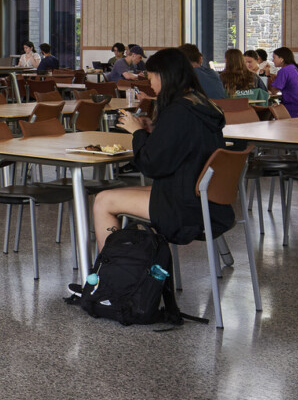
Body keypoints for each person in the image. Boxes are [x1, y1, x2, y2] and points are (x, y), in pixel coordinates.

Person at [90, 46, 232, 252]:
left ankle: (108, 275)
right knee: (115, 192)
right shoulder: (202, 105)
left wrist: (137, 132)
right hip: (207, 199)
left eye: (152, 77)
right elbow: (180, 145)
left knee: (103, 200)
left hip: (184, 207)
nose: (150, 83)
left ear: (164, 76)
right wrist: (154, 131)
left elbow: (152, 166)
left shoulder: (177, 111)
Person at [270, 46, 298, 116]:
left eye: (274, 57)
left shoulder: (284, 70)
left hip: (293, 108)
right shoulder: (296, 69)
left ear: (281, 59)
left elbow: (274, 90)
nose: (272, 60)